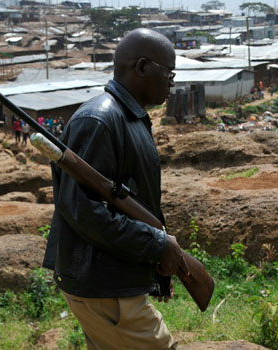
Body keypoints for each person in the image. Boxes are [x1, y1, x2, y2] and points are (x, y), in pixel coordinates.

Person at [43, 28, 187, 350]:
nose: (172, 82)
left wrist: (158, 260)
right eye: (169, 72)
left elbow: (135, 204)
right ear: (142, 67)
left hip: (113, 281)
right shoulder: (99, 120)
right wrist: (156, 244)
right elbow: (85, 210)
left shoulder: (127, 117)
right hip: (104, 285)